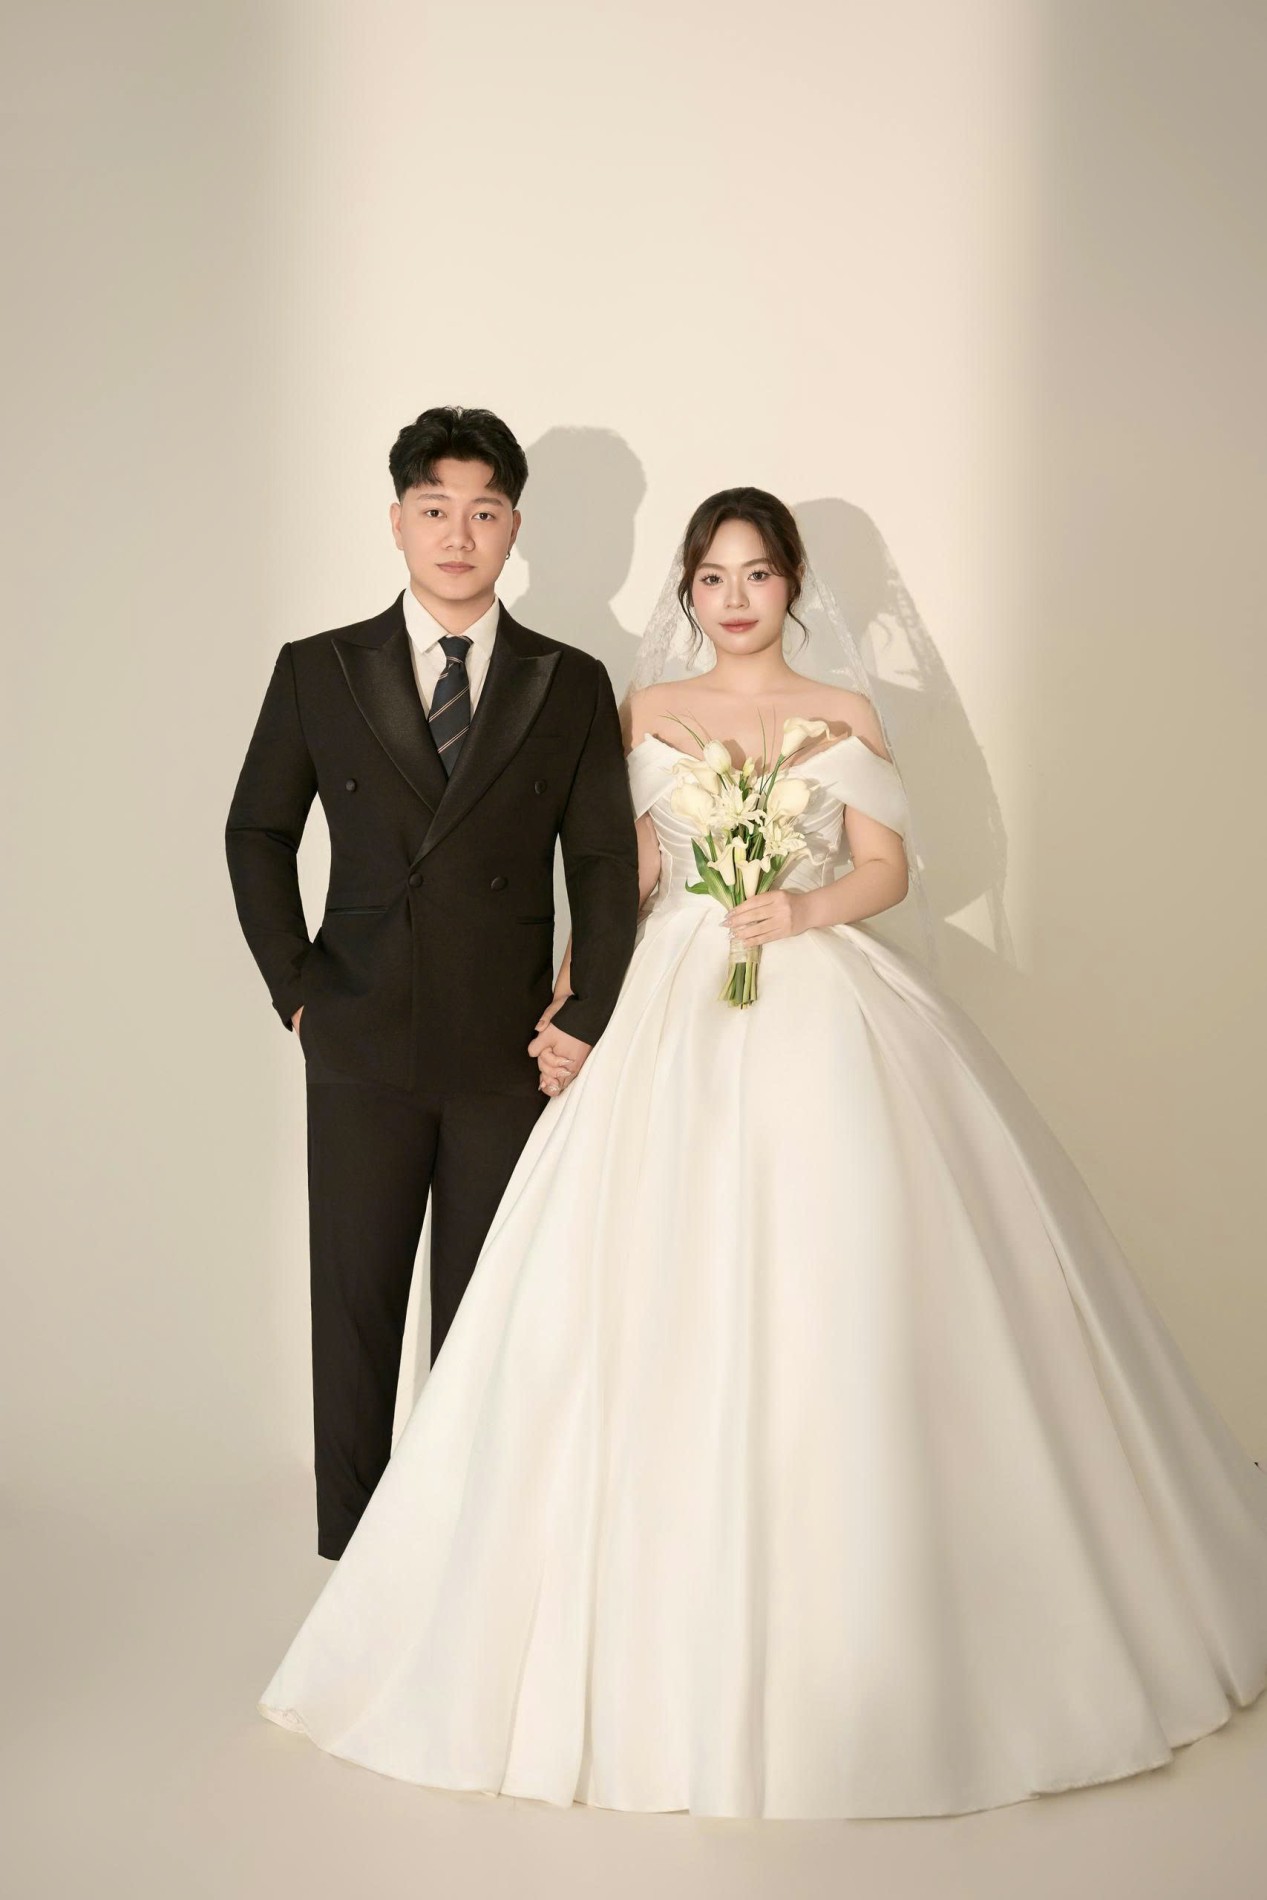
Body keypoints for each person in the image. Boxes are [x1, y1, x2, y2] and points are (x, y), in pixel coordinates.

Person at [257, 487, 1267, 1818]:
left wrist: (797, 908)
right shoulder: (641, 713)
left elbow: (887, 868)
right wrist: (576, 998)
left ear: (792, 584)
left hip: (809, 979)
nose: (733, 599)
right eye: (711, 578)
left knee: (837, 1258)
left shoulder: (842, 713)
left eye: (755, 574)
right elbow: (618, 874)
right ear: (688, 592)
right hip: (670, 990)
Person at [226, 405, 639, 1560]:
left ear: (515, 528)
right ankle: (354, 1557)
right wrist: (298, 989)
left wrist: (587, 1013)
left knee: (484, 1315)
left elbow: (603, 863)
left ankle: (458, 1557)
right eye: (435, 508)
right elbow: (257, 831)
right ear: (397, 521)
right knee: (355, 1307)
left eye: (484, 511)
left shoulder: (568, 681)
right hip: (358, 1031)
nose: (458, 534)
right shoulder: (319, 668)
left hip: (507, 1046)